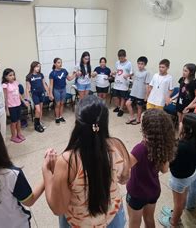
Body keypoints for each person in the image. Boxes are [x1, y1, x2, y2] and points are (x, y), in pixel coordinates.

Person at [42, 95, 131, 227]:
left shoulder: (67, 161)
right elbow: (124, 178)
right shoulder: (117, 145)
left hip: (78, 222)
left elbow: (58, 209)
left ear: (78, 122)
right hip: (113, 217)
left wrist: (47, 172)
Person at [126, 109, 176, 228]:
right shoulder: (164, 146)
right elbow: (164, 170)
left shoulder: (139, 149)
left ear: (146, 129)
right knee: (149, 218)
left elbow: (124, 168)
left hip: (136, 192)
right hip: (153, 190)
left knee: (134, 222)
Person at [159, 113, 196, 227]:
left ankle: (173, 222)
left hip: (179, 178)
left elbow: (169, 162)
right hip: (190, 174)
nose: (180, 124)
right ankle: (176, 213)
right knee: (183, 196)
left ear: (189, 129)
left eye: (182, 123)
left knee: (178, 203)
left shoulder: (182, 146)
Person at [2, 68, 30, 143]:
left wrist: (24, 101)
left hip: (18, 104)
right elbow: (5, 97)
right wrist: (6, 109)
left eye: (13, 75)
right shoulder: (5, 85)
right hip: (11, 106)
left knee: (18, 120)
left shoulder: (16, 83)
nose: (12, 76)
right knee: (13, 122)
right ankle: (13, 136)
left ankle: (19, 134)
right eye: (10, 75)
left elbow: (18, 94)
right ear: (5, 77)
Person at [26, 61, 50, 133]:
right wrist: (27, 99)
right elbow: (27, 88)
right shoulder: (29, 76)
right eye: (37, 66)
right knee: (38, 110)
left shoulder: (41, 75)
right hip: (35, 94)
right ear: (33, 67)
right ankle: (36, 124)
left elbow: (44, 84)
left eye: (39, 66)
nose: (38, 68)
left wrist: (48, 92)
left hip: (41, 93)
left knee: (40, 110)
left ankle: (39, 123)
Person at [49, 58, 75, 124]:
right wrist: (50, 93)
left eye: (60, 62)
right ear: (54, 64)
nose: (60, 64)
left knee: (62, 103)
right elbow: (51, 85)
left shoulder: (64, 71)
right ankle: (57, 118)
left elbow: (69, 78)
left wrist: (75, 74)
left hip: (63, 89)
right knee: (57, 104)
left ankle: (61, 117)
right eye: (58, 62)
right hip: (56, 90)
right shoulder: (52, 73)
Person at [125, 56, 150, 125]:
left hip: (141, 93)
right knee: (127, 103)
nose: (140, 65)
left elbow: (147, 84)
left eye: (142, 64)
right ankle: (132, 116)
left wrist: (146, 95)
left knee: (139, 107)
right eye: (139, 63)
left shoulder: (147, 73)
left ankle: (138, 119)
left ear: (145, 64)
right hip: (133, 92)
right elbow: (133, 79)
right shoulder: (136, 71)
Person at [112, 49, 133, 117]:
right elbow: (117, 71)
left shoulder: (129, 63)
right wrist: (114, 73)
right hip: (117, 82)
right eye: (119, 58)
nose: (121, 59)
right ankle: (118, 107)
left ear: (125, 56)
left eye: (122, 58)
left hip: (124, 83)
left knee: (123, 97)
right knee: (115, 96)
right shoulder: (117, 62)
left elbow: (132, 73)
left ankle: (121, 109)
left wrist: (128, 75)